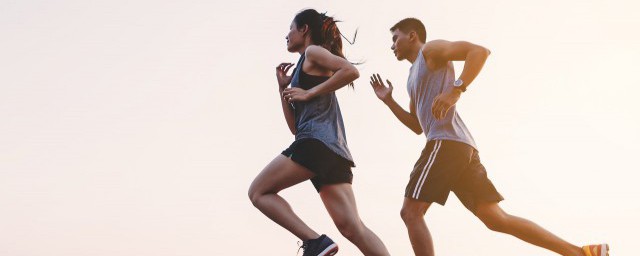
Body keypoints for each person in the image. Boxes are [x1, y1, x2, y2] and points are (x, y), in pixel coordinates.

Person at [369, 17, 608, 256]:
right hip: (460, 147)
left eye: (395, 38)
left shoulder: (431, 51)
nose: (392, 46)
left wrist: (455, 91)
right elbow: (417, 126)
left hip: (446, 143)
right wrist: (389, 101)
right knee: (495, 218)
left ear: (412, 36)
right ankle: (581, 252)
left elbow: (479, 51)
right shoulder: (412, 78)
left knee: (410, 212)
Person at [248, 9, 390, 256]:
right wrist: (283, 89)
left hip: (317, 145)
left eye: (291, 29)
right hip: (332, 151)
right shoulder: (304, 65)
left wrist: (309, 93)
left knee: (258, 192)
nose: (287, 35)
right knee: (353, 228)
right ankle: (318, 244)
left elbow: (350, 71)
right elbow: (296, 129)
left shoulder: (313, 52)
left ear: (304, 29)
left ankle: (316, 243)